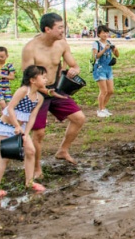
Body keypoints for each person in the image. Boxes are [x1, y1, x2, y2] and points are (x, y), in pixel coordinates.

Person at [21, 12, 87, 175]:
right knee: (39, 132)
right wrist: (45, 90)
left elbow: (74, 64)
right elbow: (28, 78)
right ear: (47, 29)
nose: (63, 31)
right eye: (60, 27)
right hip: (37, 92)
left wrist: (74, 70)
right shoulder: (31, 48)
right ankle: (36, 167)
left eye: (63, 27)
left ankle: (62, 151)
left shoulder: (62, 44)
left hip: (55, 88)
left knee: (79, 118)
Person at [0, 65, 48, 198]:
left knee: (31, 151)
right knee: (5, 157)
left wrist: (26, 133)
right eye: (43, 77)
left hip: (21, 129)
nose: (46, 80)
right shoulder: (23, 91)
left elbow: (32, 117)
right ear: (32, 80)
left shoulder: (39, 97)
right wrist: (16, 126)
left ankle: (29, 182)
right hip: (6, 127)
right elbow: (10, 109)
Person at [92, 25, 120, 118]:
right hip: (99, 68)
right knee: (103, 91)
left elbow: (117, 55)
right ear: (99, 34)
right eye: (103, 32)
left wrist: (115, 49)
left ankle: (103, 107)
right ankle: (100, 109)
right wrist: (104, 49)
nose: (105, 34)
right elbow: (95, 56)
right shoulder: (96, 44)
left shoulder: (109, 42)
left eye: (107, 32)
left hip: (108, 68)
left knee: (111, 90)